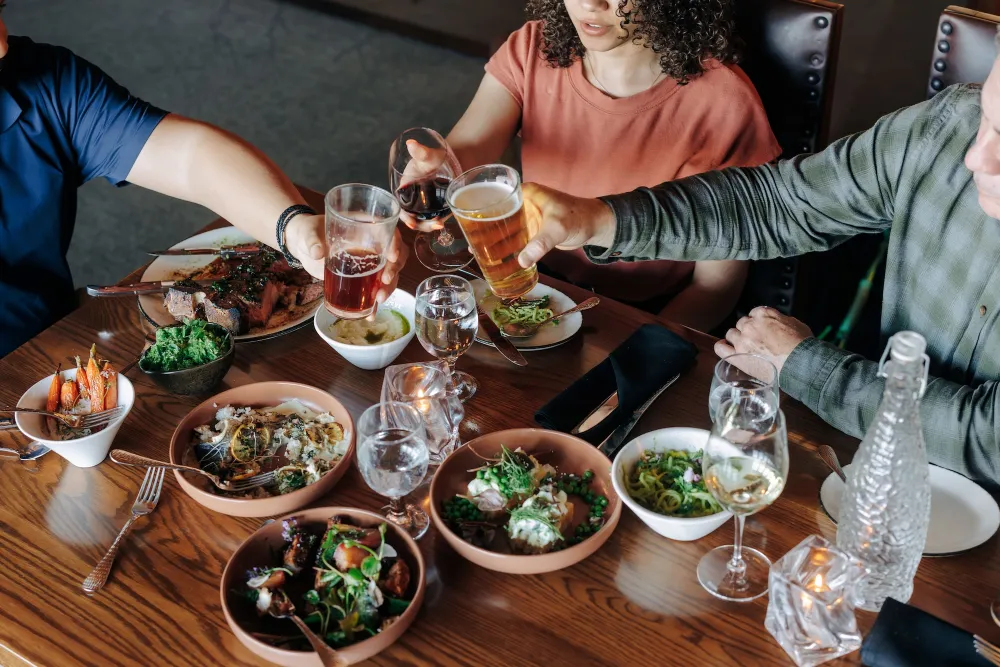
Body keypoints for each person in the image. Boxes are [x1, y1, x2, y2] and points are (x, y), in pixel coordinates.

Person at [513, 47, 1000, 489]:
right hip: (870, 469)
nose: (977, 157)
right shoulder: (949, 127)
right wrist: (603, 219)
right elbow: (783, 203)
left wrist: (806, 366)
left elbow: (987, 439)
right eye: (988, 119)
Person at [0, 14, 406, 358]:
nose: (1, 42)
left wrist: (297, 230)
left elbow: (194, 157)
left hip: (44, 338)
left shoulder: (45, 81)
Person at [403, 0, 780, 331]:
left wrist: (641, 348)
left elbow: (714, 290)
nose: (589, 3)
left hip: (644, 315)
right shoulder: (533, 47)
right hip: (531, 292)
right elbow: (467, 151)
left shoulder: (725, 105)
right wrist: (436, 170)